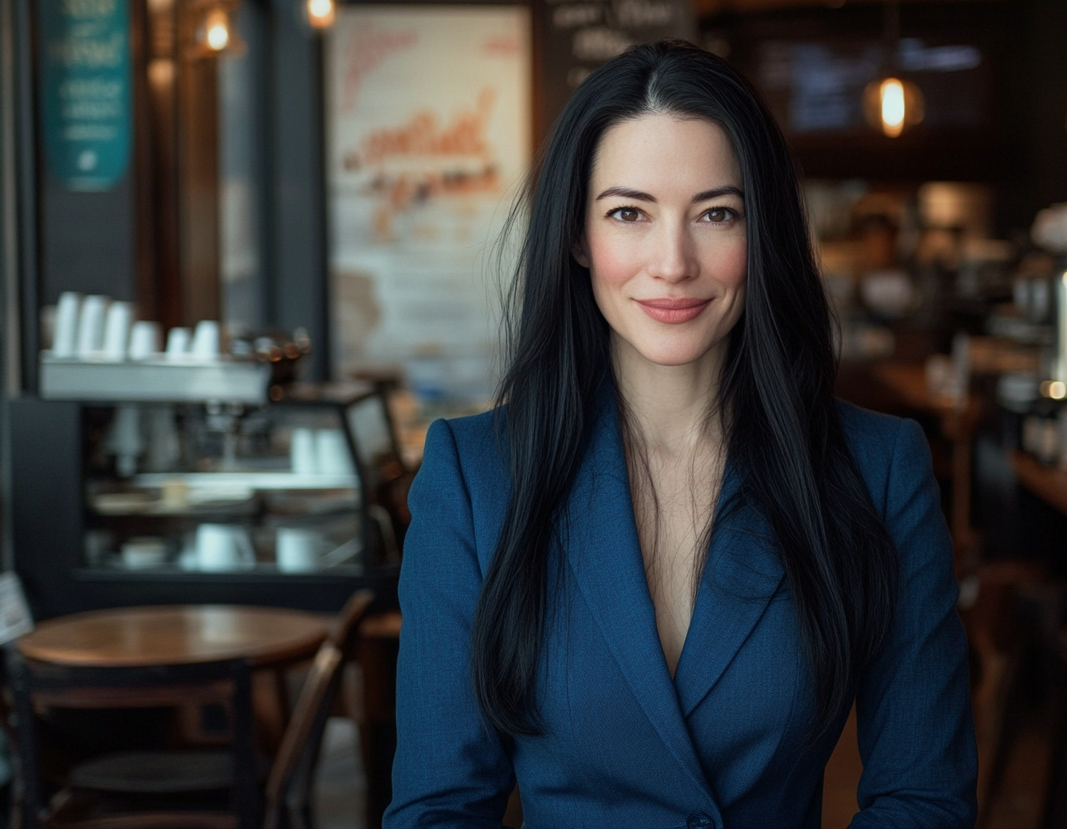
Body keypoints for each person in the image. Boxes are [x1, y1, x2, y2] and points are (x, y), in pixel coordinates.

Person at [385, 40, 976, 829]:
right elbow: (439, 811)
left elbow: (925, 802)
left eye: (716, 214)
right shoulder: (474, 477)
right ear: (576, 238)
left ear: (760, 235)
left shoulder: (878, 468)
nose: (673, 262)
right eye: (629, 213)